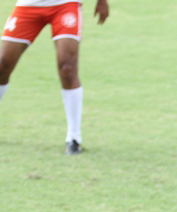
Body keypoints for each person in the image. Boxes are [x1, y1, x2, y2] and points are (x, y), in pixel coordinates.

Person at [1, 0, 109, 154]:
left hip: (65, 4)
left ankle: (73, 139)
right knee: (3, 65)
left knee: (67, 67)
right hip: (29, 6)